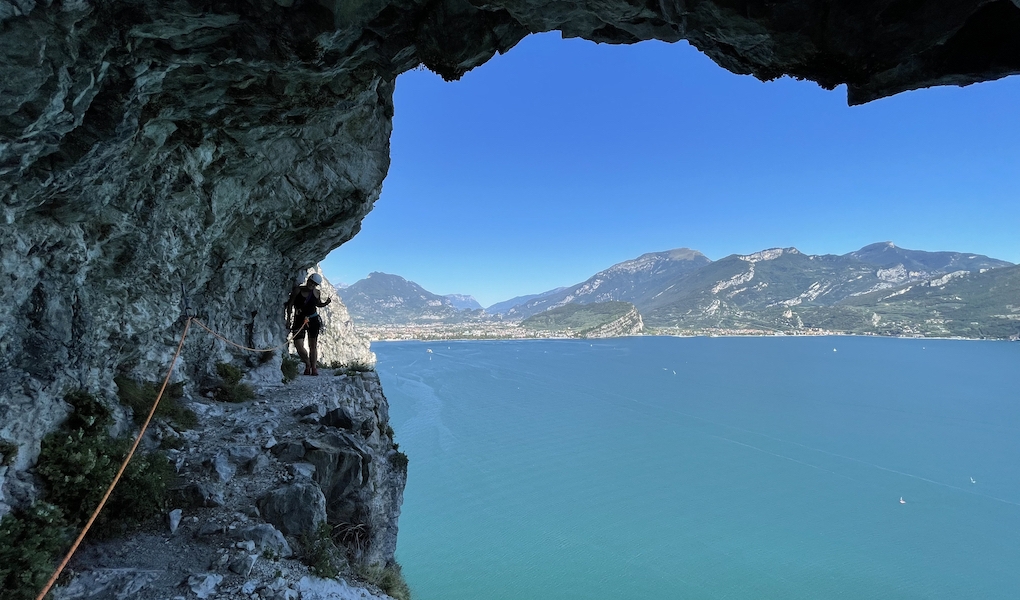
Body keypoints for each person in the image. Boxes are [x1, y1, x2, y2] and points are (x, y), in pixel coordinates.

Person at [285, 273, 332, 375]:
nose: (312, 285)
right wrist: (288, 319)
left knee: (313, 345)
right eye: (311, 282)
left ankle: (314, 368)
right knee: (298, 345)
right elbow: (290, 305)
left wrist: (325, 303)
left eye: (314, 284)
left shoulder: (317, 293)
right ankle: (307, 363)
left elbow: (317, 304)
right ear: (308, 280)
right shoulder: (298, 290)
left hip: (313, 319)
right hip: (299, 319)